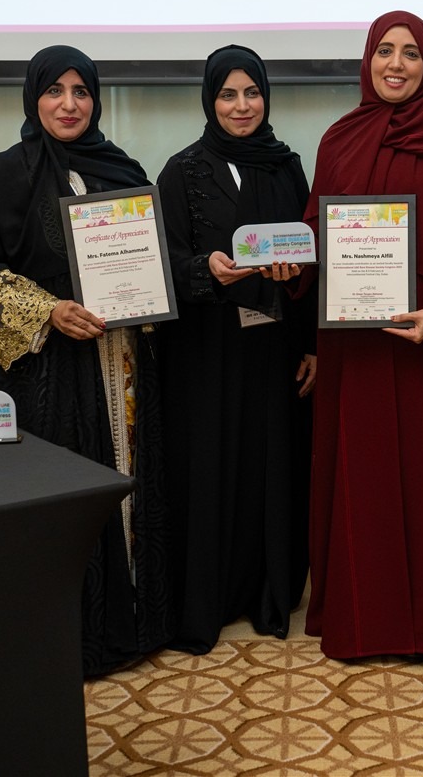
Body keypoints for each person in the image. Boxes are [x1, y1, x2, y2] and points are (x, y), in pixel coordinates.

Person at [0, 44, 171, 676]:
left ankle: (131, 622)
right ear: (34, 98)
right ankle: (66, 634)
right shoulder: (10, 173)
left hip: (119, 364)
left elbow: (150, 260)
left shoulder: (123, 170)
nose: (69, 104)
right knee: (64, 493)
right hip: (49, 376)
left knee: (126, 487)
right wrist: (47, 310)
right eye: (55, 91)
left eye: (81, 91)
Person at [303, 11, 423, 660]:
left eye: (411, 53)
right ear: (367, 59)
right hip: (357, 343)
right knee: (366, 479)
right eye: (385, 50)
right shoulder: (338, 140)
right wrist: (285, 260)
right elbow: (316, 232)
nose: (396, 64)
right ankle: (367, 621)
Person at [155, 45, 316, 653]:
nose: (241, 106)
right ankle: (213, 595)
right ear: (210, 100)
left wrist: (311, 343)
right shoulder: (181, 171)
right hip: (205, 351)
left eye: (252, 93)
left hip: (274, 348)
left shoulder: (286, 167)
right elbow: (164, 261)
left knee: (269, 464)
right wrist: (207, 270)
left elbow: (311, 260)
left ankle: (268, 592)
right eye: (228, 94)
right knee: (212, 464)